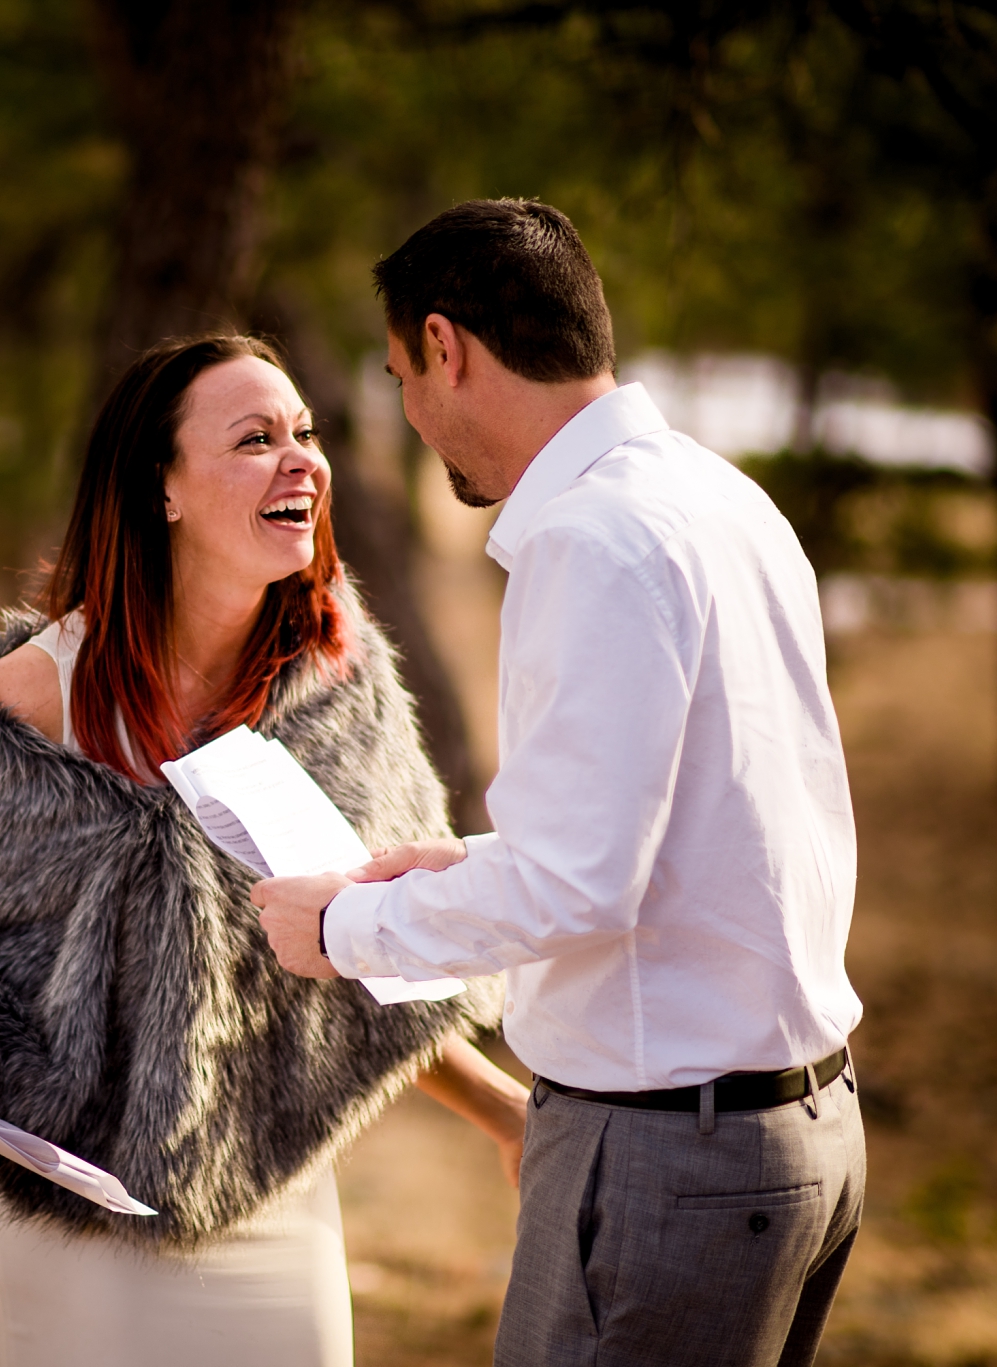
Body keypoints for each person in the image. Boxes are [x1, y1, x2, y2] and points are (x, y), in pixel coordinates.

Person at [254, 199, 867, 1367]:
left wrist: (342, 923)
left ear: (446, 346)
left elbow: (579, 885)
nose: (412, 418)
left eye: (397, 377)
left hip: (668, 1162)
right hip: (796, 1135)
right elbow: (691, 826)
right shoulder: (718, 498)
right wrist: (464, 863)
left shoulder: (589, 536)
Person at [0, 333, 530, 1367]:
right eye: (254, 438)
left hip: (270, 1192)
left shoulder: (337, 685)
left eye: (303, 434)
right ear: (162, 490)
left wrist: (504, 1111)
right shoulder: (31, 699)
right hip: (65, 1213)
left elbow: (383, 963)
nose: (300, 459)